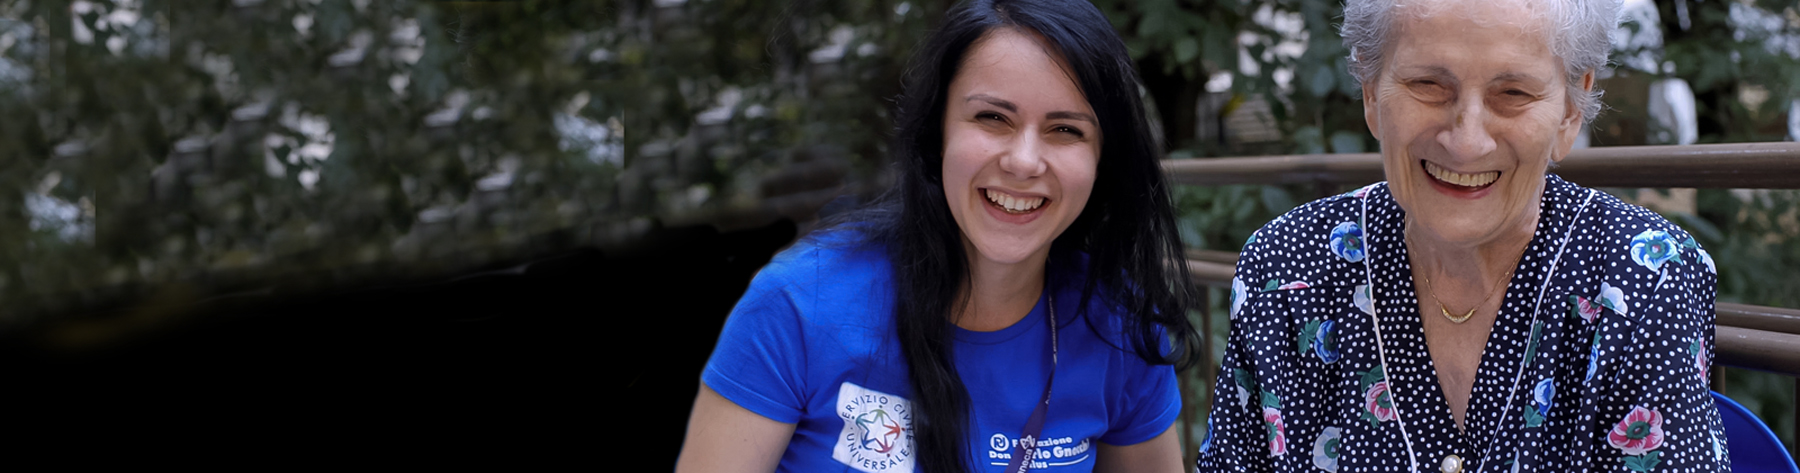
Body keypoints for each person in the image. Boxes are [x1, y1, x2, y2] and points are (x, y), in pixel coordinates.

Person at [1193, 0, 1727, 471]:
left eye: (1513, 92)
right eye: (1429, 85)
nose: (1466, 142)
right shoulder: (1286, 267)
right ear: (1371, 92)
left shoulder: (1643, 277)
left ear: (1569, 111)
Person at [675, 0, 1199, 472]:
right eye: (992, 118)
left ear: (1102, 159)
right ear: (938, 131)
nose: (1023, 161)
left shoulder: (1119, 327)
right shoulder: (797, 305)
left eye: (1066, 130)